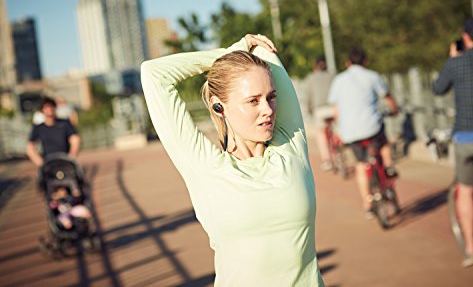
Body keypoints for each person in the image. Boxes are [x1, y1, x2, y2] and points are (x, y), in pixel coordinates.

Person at [141, 34, 325, 286]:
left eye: (271, 97)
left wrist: (248, 52)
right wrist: (232, 51)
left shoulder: (290, 144)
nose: (268, 110)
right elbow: (153, 73)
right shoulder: (204, 166)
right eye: (253, 101)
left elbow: (265, 51)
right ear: (219, 107)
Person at [432, 17, 473, 267]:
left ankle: (471, 250)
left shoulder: (456, 64)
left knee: (466, 189)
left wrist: (452, 57)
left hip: (468, 139)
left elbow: (438, 89)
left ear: (466, 37)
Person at [327, 46, 398, 218]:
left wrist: (339, 127)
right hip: (372, 128)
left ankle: (367, 204)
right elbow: (388, 98)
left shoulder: (339, 80)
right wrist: (394, 110)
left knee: (360, 165)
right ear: (365, 61)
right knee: (384, 143)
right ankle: (388, 167)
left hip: (350, 132)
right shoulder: (373, 76)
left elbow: (335, 109)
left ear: (347, 63)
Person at [26, 97, 81, 167]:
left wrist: (71, 157)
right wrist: (41, 163)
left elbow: (75, 139)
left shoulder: (65, 123)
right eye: (46, 107)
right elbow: (30, 146)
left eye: (51, 106)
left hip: (65, 160)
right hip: (48, 162)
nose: (49, 109)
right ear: (42, 110)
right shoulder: (38, 128)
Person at [304, 56, 336, 170]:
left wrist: (308, 110)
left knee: (321, 134)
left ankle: (326, 160)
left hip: (320, 110)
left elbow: (308, 96)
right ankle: (338, 151)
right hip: (334, 109)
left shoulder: (311, 78)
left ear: (315, 66)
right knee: (334, 130)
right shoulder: (333, 76)